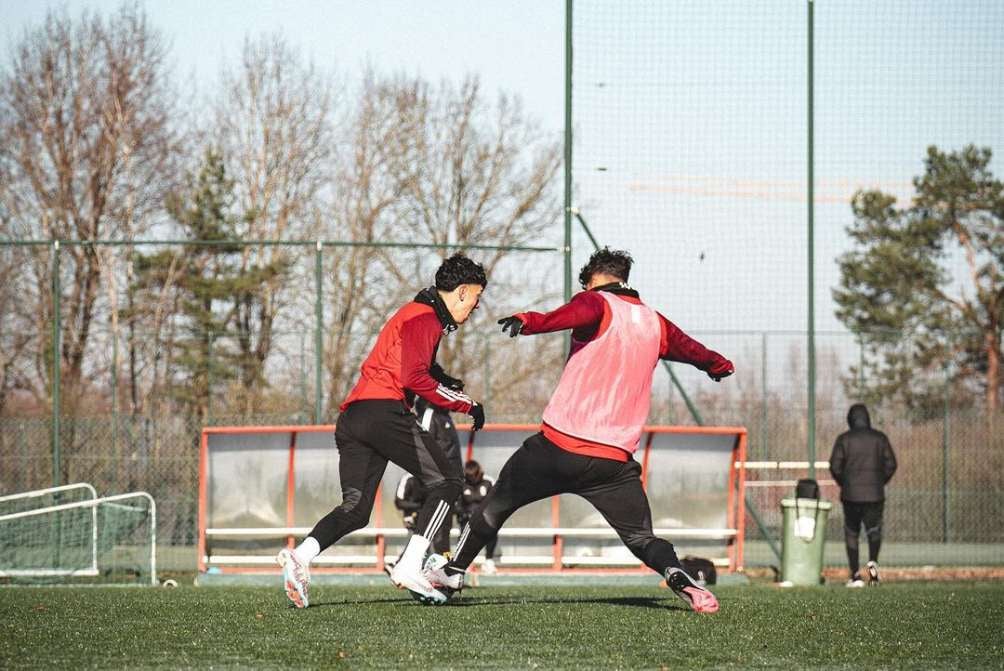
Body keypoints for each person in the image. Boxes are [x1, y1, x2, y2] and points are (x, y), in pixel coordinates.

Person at [424, 247, 734, 613]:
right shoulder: (655, 323)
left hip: (558, 448)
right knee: (641, 537)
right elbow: (692, 349)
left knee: (495, 505)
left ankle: (452, 571)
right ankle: (679, 576)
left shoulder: (597, 302)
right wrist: (717, 364)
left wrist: (530, 320)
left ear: (593, 279)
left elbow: (575, 312)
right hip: (613, 463)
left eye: (586, 284)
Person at [277, 253, 488, 607]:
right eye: (477, 300)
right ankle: (409, 565)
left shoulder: (414, 312)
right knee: (448, 481)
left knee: (357, 509)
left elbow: (411, 365)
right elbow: (413, 377)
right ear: (462, 292)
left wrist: (446, 380)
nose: (475, 309)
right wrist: (468, 404)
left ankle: (300, 557)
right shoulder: (426, 317)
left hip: (354, 417)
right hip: (383, 412)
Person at [829, 403, 897, 587]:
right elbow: (891, 464)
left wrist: (846, 483)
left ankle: (855, 576)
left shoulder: (844, 439)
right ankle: (873, 571)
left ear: (850, 419)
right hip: (875, 495)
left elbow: (834, 466)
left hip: (851, 495)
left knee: (852, 533)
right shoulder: (880, 438)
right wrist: (879, 482)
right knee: (874, 530)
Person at [393, 397, 464, 556]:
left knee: (443, 530)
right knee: (434, 529)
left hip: (450, 484)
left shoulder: (445, 417)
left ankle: (438, 569)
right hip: (438, 484)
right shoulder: (430, 414)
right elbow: (421, 447)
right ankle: (410, 566)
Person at [455, 460, 499, 573]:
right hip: (467, 519)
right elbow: (456, 503)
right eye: (469, 475)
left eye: (474, 474)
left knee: (492, 532)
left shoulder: (488, 482)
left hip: (485, 517)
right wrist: (463, 513)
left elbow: (495, 501)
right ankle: (464, 562)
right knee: (465, 536)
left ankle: (489, 561)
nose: (472, 478)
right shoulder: (461, 483)